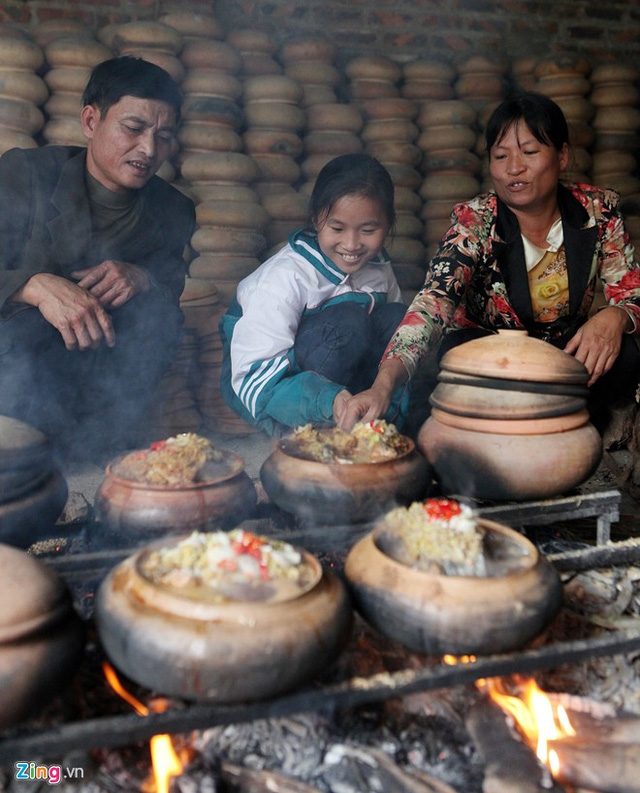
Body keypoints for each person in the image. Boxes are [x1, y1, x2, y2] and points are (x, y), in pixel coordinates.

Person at [339, 91, 640, 433]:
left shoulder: (597, 212)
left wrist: (617, 316)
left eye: (529, 152)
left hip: (559, 351)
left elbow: (633, 294)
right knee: (469, 373)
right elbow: (433, 303)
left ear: (562, 156)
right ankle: (554, 420)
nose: (514, 168)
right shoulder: (475, 222)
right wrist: (384, 383)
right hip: (490, 355)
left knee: (626, 355)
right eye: (501, 155)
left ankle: (544, 418)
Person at [0, 56, 196, 457]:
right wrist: (32, 286)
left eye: (164, 136)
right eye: (134, 128)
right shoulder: (28, 175)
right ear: (91, 122)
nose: (148, 149)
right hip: (14, 369)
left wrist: (143, 277)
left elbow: (170, 286)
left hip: (97, 377)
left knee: (158, 321)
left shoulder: (172, 209)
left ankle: (98, 446)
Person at [219, 153, 409, 435]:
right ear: (316, 218)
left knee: (402, 321)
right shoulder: (284, 278)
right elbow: (254, 378)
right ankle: (305, 432)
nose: (352, 244)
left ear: (389, 224)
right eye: (337, 228)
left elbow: (394, 342)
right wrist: (329, 400)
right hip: (273, 387)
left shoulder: (379, 267)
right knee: (348, 323)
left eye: (369, 230)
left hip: (345, 379)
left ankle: (379, 428)